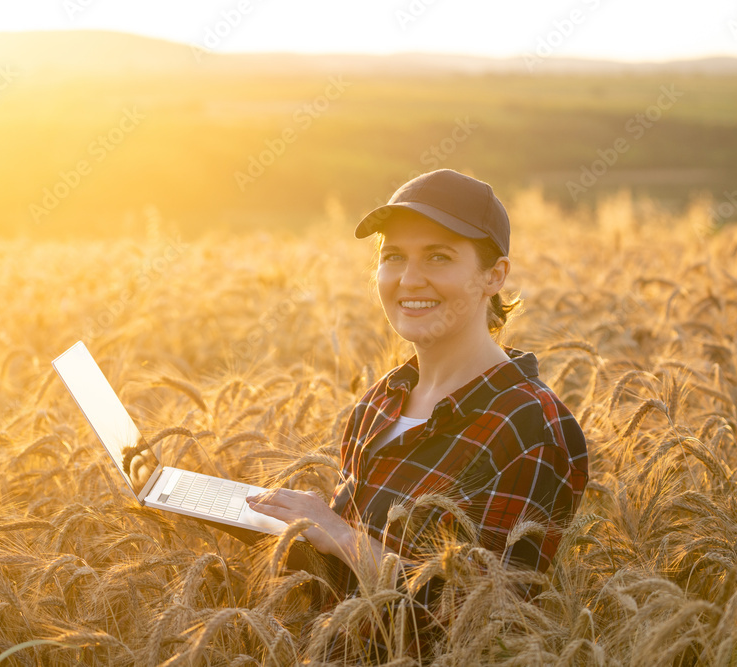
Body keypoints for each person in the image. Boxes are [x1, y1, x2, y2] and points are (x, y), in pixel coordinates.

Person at [246, 168, 589, 660]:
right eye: (393, 257)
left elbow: (485, 618)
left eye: (439, 257)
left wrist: (340, 535)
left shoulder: (531, 426)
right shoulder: (383, 399)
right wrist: (289, 525)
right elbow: (346, 584)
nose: (409, 279)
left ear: (495, 275)